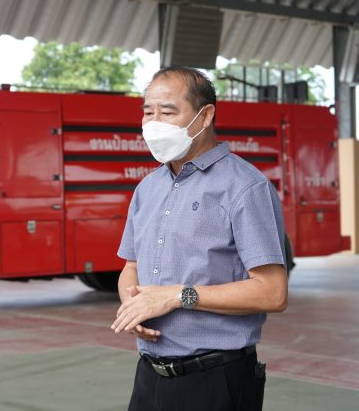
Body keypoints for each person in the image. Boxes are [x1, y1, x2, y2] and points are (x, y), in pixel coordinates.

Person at [112, 66, 288, 411]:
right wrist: (135, 308)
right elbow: (131, 267)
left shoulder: (245, 187)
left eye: (167, 112)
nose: (153, 123)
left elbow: (273, 292)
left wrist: (177, 296)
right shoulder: (148, 188)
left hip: (215, 379)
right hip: (149, 376)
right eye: (148, 112)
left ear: (205, 116)